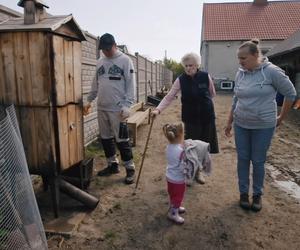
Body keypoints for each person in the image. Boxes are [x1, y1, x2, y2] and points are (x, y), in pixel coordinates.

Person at [225, 39, 296, 212]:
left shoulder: (272, 72)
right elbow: (236, 98)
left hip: (263, 126)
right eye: (239, 58)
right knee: (242, 159)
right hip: (241, 124)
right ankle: (243, 193)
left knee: (257, 161)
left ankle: (257, 195)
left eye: (244, 58)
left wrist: (281, 117)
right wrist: (229, 121)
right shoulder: (240, 73)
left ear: (256, 55)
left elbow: (290, 93)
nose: (240, 62)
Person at [152, 53, 219, 184]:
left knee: (203, 147)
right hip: (190, 119)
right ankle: (190, 172)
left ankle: (199, 172)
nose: (188, 68)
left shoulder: (206, 77)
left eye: (191, 65)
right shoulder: (180, 80)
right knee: (190, 147)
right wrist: (158, 109)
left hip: (207, 118)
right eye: (186, 66)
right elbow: (169, 96)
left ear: (197, 65)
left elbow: (212, 94)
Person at [83, 33, 136, 185]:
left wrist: (127, 105)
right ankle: (112, 165)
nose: (105, 52)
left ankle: (130, 168)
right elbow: (96, 83)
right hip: (102, 107)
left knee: (122, 139)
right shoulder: (100, 62)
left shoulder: (125, 61)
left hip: (118, 109)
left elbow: (131, 85)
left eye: (107, 49)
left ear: (114, 45)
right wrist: (89, 100)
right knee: (105, 138)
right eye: (103, 50)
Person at [163, 122, 212, 225]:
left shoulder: (168, 147)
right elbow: (183, 167)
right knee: (178, 196)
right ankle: (173, 213)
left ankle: (174, 206)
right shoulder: (181, 151)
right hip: (178, 180)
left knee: (173, 194)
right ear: (180, 136)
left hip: (169, 177)